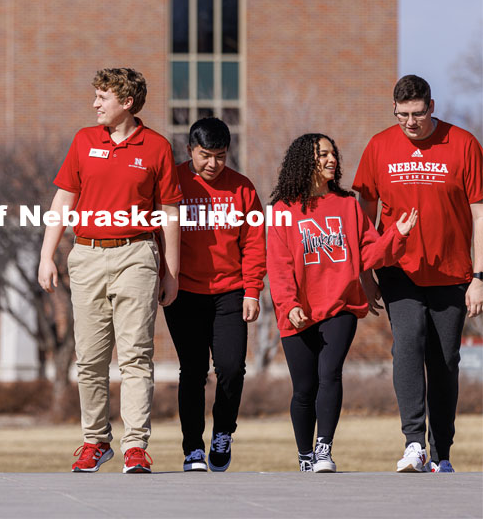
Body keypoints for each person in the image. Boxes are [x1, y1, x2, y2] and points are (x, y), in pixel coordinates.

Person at [38, 68, 182, 474]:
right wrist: (46, 255)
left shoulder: (156, 147)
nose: (95, 104)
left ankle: (135, 445)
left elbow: (170, 213)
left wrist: (172, 271)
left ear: (127, 103)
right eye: (96, 96)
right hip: (86, 256)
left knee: (136, 354)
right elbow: (63, 199)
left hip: (137, 254)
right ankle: (96, 441)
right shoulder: (85, 140)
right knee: (90, 357)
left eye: (103, 97)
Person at [353, 75, 483, 473]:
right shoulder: (379, 146)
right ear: (394, 110)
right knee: (406, 346)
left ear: (432, 106)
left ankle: (442, 452)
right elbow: (364, 213)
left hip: (452, 272)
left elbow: (479, 213)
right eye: (402, 115)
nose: (410, 122)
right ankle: (414, 443)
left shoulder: (463, 144)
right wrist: (367, 270)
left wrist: (479, 275)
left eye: (418, 114)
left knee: (444, 360)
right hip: (399, 270)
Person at [267, 133, 417, 473]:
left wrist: (398, 234)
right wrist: (289, 304)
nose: (331, 159)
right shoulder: (282, 210)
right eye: (323, 155)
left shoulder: (348, 205)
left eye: (333, 153)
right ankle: (305, 455)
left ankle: (323, 449)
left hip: (341, 305)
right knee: (304, 389)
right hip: (298, 311)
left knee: (330, 373)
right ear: (305, 161)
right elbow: (278, 265)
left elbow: (370, 254)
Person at [163, 117, 266, 472]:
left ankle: (223, 433)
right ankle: (192, 448)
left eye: (220, 156)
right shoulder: (173, 182)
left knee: (231, 368)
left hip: (230, 292)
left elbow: (254, 244)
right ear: (190, 149)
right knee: (192, 371)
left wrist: (252, 291)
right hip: (184, 292)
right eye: (205, 155)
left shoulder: (242, 189)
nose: (212, 163)